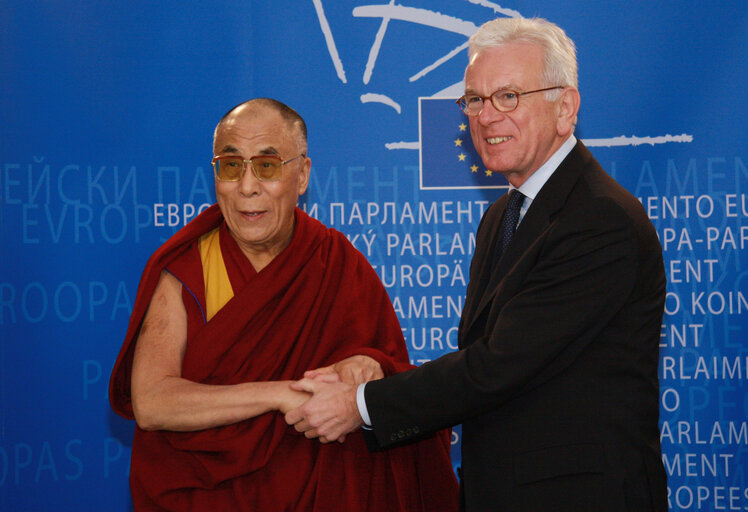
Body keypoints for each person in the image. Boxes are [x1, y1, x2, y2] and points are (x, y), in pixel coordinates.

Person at [286, 17, 668, 512]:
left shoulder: (599, 217)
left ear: (565, 109)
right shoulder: (501, 216)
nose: (486, 117)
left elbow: (498, 367)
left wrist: (358, 406)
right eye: (474, 100)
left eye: (508, 96)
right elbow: (488, 356)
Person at [109, 98, 458, 511]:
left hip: (319, 491)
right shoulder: (186, 267)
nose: (247, 186)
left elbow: (387, 371)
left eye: (268, 166)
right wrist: (278, 395)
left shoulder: (333, 260)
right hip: (205, 494)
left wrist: (367, 366)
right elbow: (151, 402)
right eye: (231, 166)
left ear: (303, 174)